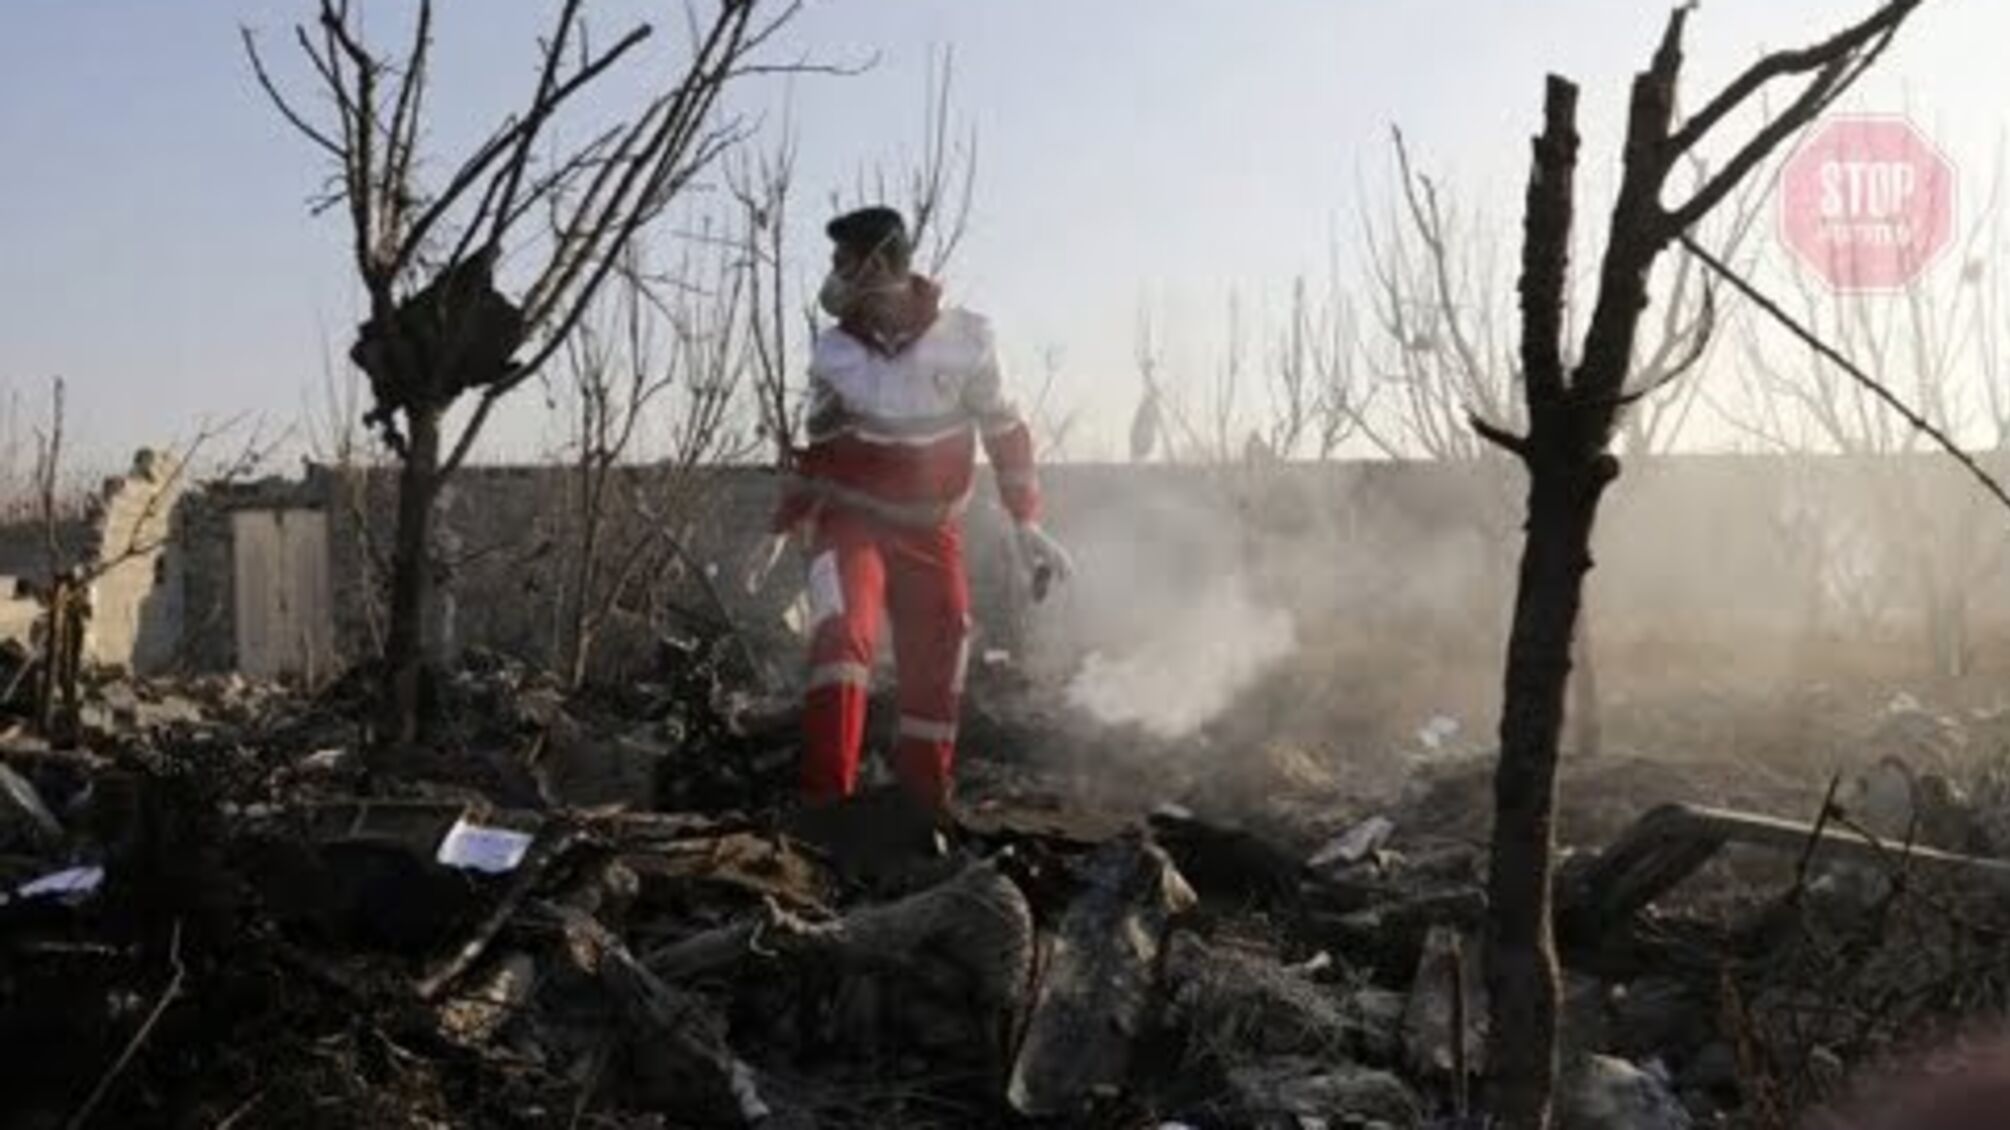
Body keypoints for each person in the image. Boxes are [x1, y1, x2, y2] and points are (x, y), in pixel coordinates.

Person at [745, 205, 1072, 812]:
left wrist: (1025, 518)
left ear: (881, 263)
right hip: (850, 525)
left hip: (931, 528)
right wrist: (782, 527)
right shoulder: (835, 353)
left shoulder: (967, 340)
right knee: (842, 641)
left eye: (844, 262)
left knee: (943, 645)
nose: (835, 276)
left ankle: (921, 806)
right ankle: (825, 810)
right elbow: (818, 455)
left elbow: (1004, 428)